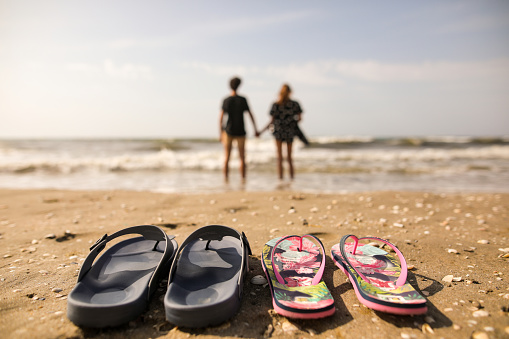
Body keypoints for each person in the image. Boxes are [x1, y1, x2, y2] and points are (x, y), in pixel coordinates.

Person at [219, 76, 259, 181]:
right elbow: (251, 115)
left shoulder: (226, 100)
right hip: (241, 131)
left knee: (227, 157)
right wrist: (255, 129)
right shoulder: (242, 100)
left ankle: (226, 180)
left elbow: (221, 119)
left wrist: (220, 133)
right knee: (242, 158)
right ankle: (243, 180)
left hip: (228, 131)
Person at [260, 84, 302, 180]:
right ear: (290, 92)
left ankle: (280, 179)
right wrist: (291, 123)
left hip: (278, 132)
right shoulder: (295, 104)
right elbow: (299, 118)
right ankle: (292, 179)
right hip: (290, 131)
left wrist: (261, 132)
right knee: (290, 158)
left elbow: (271, 121)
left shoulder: (276, 105)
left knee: (280, 158)